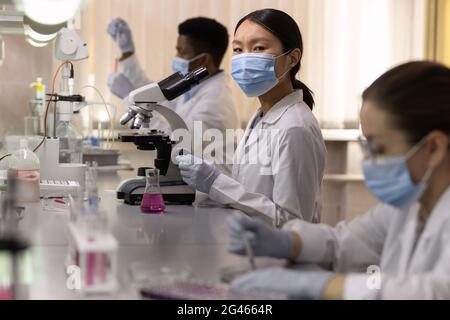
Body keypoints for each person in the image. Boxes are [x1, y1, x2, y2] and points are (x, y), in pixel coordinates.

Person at [227, 61, 450, 300]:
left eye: (379, 148)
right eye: (366, 146)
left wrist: (319, 285)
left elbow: (435, 291)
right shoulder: (410, 206)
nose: (367, 160)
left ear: (434, 148)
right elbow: (345, 242)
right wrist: (286, 242)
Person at [176, 9, 326, 227]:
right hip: (251, 246)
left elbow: (293, 222)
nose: (245, 58)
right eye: (238, 49)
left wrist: (215, 183)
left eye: (258, 48)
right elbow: (249, 194)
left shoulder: (295, 128)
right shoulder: (262, 116)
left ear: (292, 58)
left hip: (278, 256)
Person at [107, 17, 240, 175]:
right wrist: (127, 53)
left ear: (204, 59)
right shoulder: (192, 89)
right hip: (191, 184)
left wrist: (128, 97)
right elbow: (153, 93)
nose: (176, 56)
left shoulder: (216, 102)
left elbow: (179, 143)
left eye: (182, 52)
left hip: (207, 195)